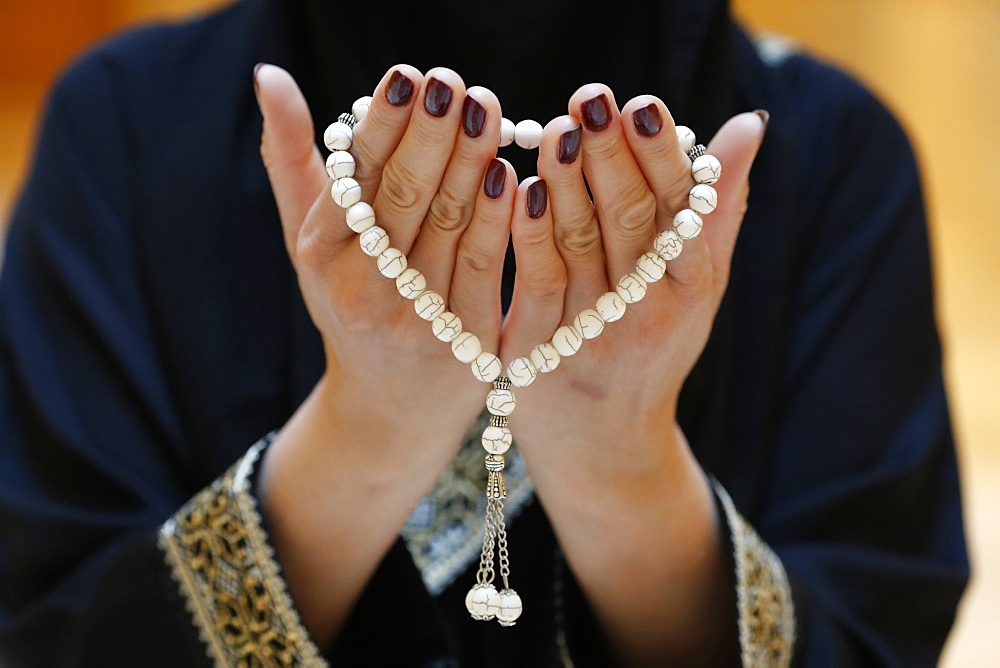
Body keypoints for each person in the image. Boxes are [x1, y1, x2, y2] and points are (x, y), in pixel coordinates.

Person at [0, 0, 967, 665]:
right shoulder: (124, 128)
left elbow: (875, 622)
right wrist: (364, 432)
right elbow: (46, 630)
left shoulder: (836, 159)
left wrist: (625, 470)